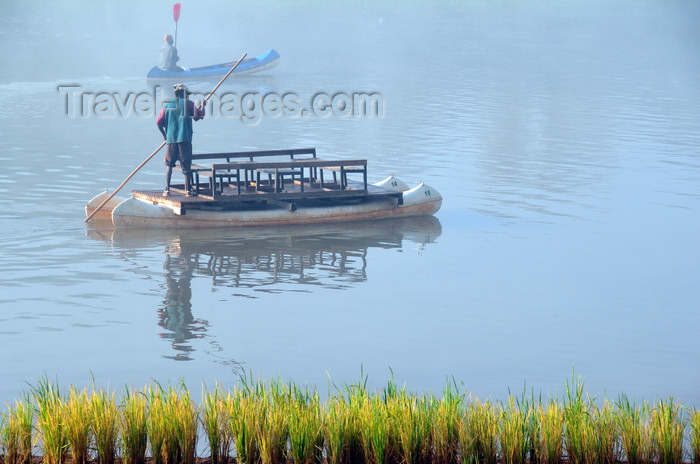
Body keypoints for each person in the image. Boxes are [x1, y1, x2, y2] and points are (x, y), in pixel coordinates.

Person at [156, 84, 206, 197]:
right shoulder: (189, 104)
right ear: (183, 94)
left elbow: (158, 122)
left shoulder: (167, 105)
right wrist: (203, 106)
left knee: (169, 164)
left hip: (171, 140)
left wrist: (164, 135)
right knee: (186, 165)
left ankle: (167, 190)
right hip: (185, 139)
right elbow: (200, 116)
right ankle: (188, 190)